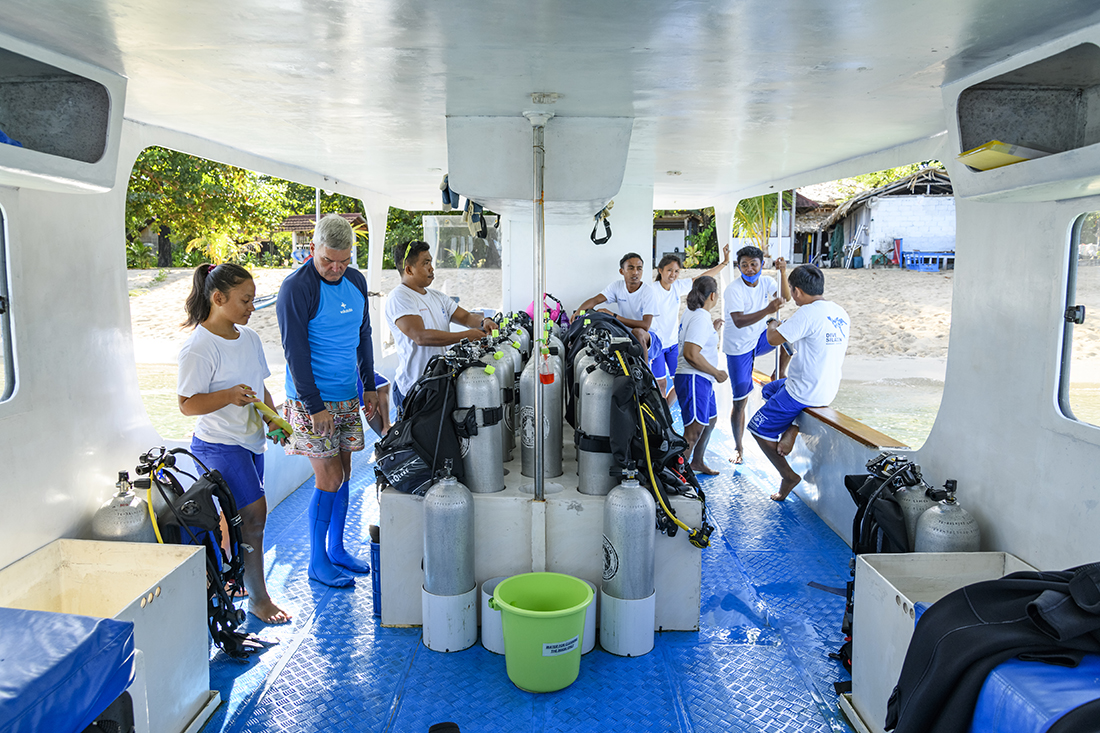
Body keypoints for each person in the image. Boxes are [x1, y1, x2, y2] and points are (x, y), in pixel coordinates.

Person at [177, 263, 291, 625]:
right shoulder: (199, 346)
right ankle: (259, 599)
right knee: (255, 516)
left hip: (250, 442)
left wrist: (273, 420)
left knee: (242, 519)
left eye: (253, 300)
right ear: (217, 298)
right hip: (217, 445)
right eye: (245, 300)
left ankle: (236, 579)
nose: (251, 308)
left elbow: (261, 387)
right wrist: (227, 396)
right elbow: (186, 404)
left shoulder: (250, 339)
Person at [276, 213, 380, 588]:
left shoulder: (356, 281)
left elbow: (363, 335)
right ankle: (316, 562)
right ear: (313, 249)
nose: (335, 268)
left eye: (343, 261)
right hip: (310, 401)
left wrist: (369, 386)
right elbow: (295, 352)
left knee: (346, 474)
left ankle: (336, 549)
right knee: (329, 477)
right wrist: (315, 405)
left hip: (347, 394)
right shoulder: (296, 288)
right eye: (327, 261)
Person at [748, 264, 849, 501]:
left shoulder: (807, 313)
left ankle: (788, 476)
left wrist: (772, 323)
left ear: (796, 292)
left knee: (757, 429)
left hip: (802, 393)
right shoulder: (839, 312)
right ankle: (792, 426)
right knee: (770, 388)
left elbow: (773, 339)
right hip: (827, 389)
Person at [385, 240, 499, 412]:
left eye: (431, 262)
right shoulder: (400, 297)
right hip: (416, 388)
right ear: (409, 269)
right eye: (426, 263)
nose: (432, 268)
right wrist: (466, 336)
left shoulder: (437, 297)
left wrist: (484, 322)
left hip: (438, 383)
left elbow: (466, 316)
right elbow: (420, 336)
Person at [722, 246, 791, 465]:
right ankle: (738, 446)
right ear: (738, 266)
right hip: (738, 347)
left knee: (787, 329)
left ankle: (778, 373)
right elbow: (739, 321)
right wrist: (768, 310)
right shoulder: (733, 290)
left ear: (762, 264)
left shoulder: (767, 281)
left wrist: (782, 271)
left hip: (759, 339)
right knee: (740, 400)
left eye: (754, 264)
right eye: (744, 265)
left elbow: (786, 298)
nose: (750, 269)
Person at [649, 245, 732, 406]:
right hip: (658, 345)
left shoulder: (677, 287)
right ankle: (659, 419)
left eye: (676, 271)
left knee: (680, 381)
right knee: (661, 385)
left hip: (673, 344)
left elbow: (701, 279)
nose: (673, 274)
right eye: (669, 270)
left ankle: (666, 414)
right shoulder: (651, 290)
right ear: (660, 270)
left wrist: (724, 263)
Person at [673, 276, 729, 475]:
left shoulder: (694, 313)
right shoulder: (700, 317)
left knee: (710, 420)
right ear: (713, 296)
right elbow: (690, 354)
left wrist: (712, 331)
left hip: (702, 379)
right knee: (693, 431)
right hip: (694, 377)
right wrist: (717, 372)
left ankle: (696, 462)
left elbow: (696, 342)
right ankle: (676, 475)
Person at [573, 252, 659, 353]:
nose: (635, 272)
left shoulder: (648, 292)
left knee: (638, 332)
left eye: (639, 268)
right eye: (631, 268)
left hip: (649, 337)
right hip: (626, 333)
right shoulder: (617, 286)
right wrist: (578, 312)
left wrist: (613, 316)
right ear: (621, 271)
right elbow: (595, 300)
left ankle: (643, 368)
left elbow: (645, 326)